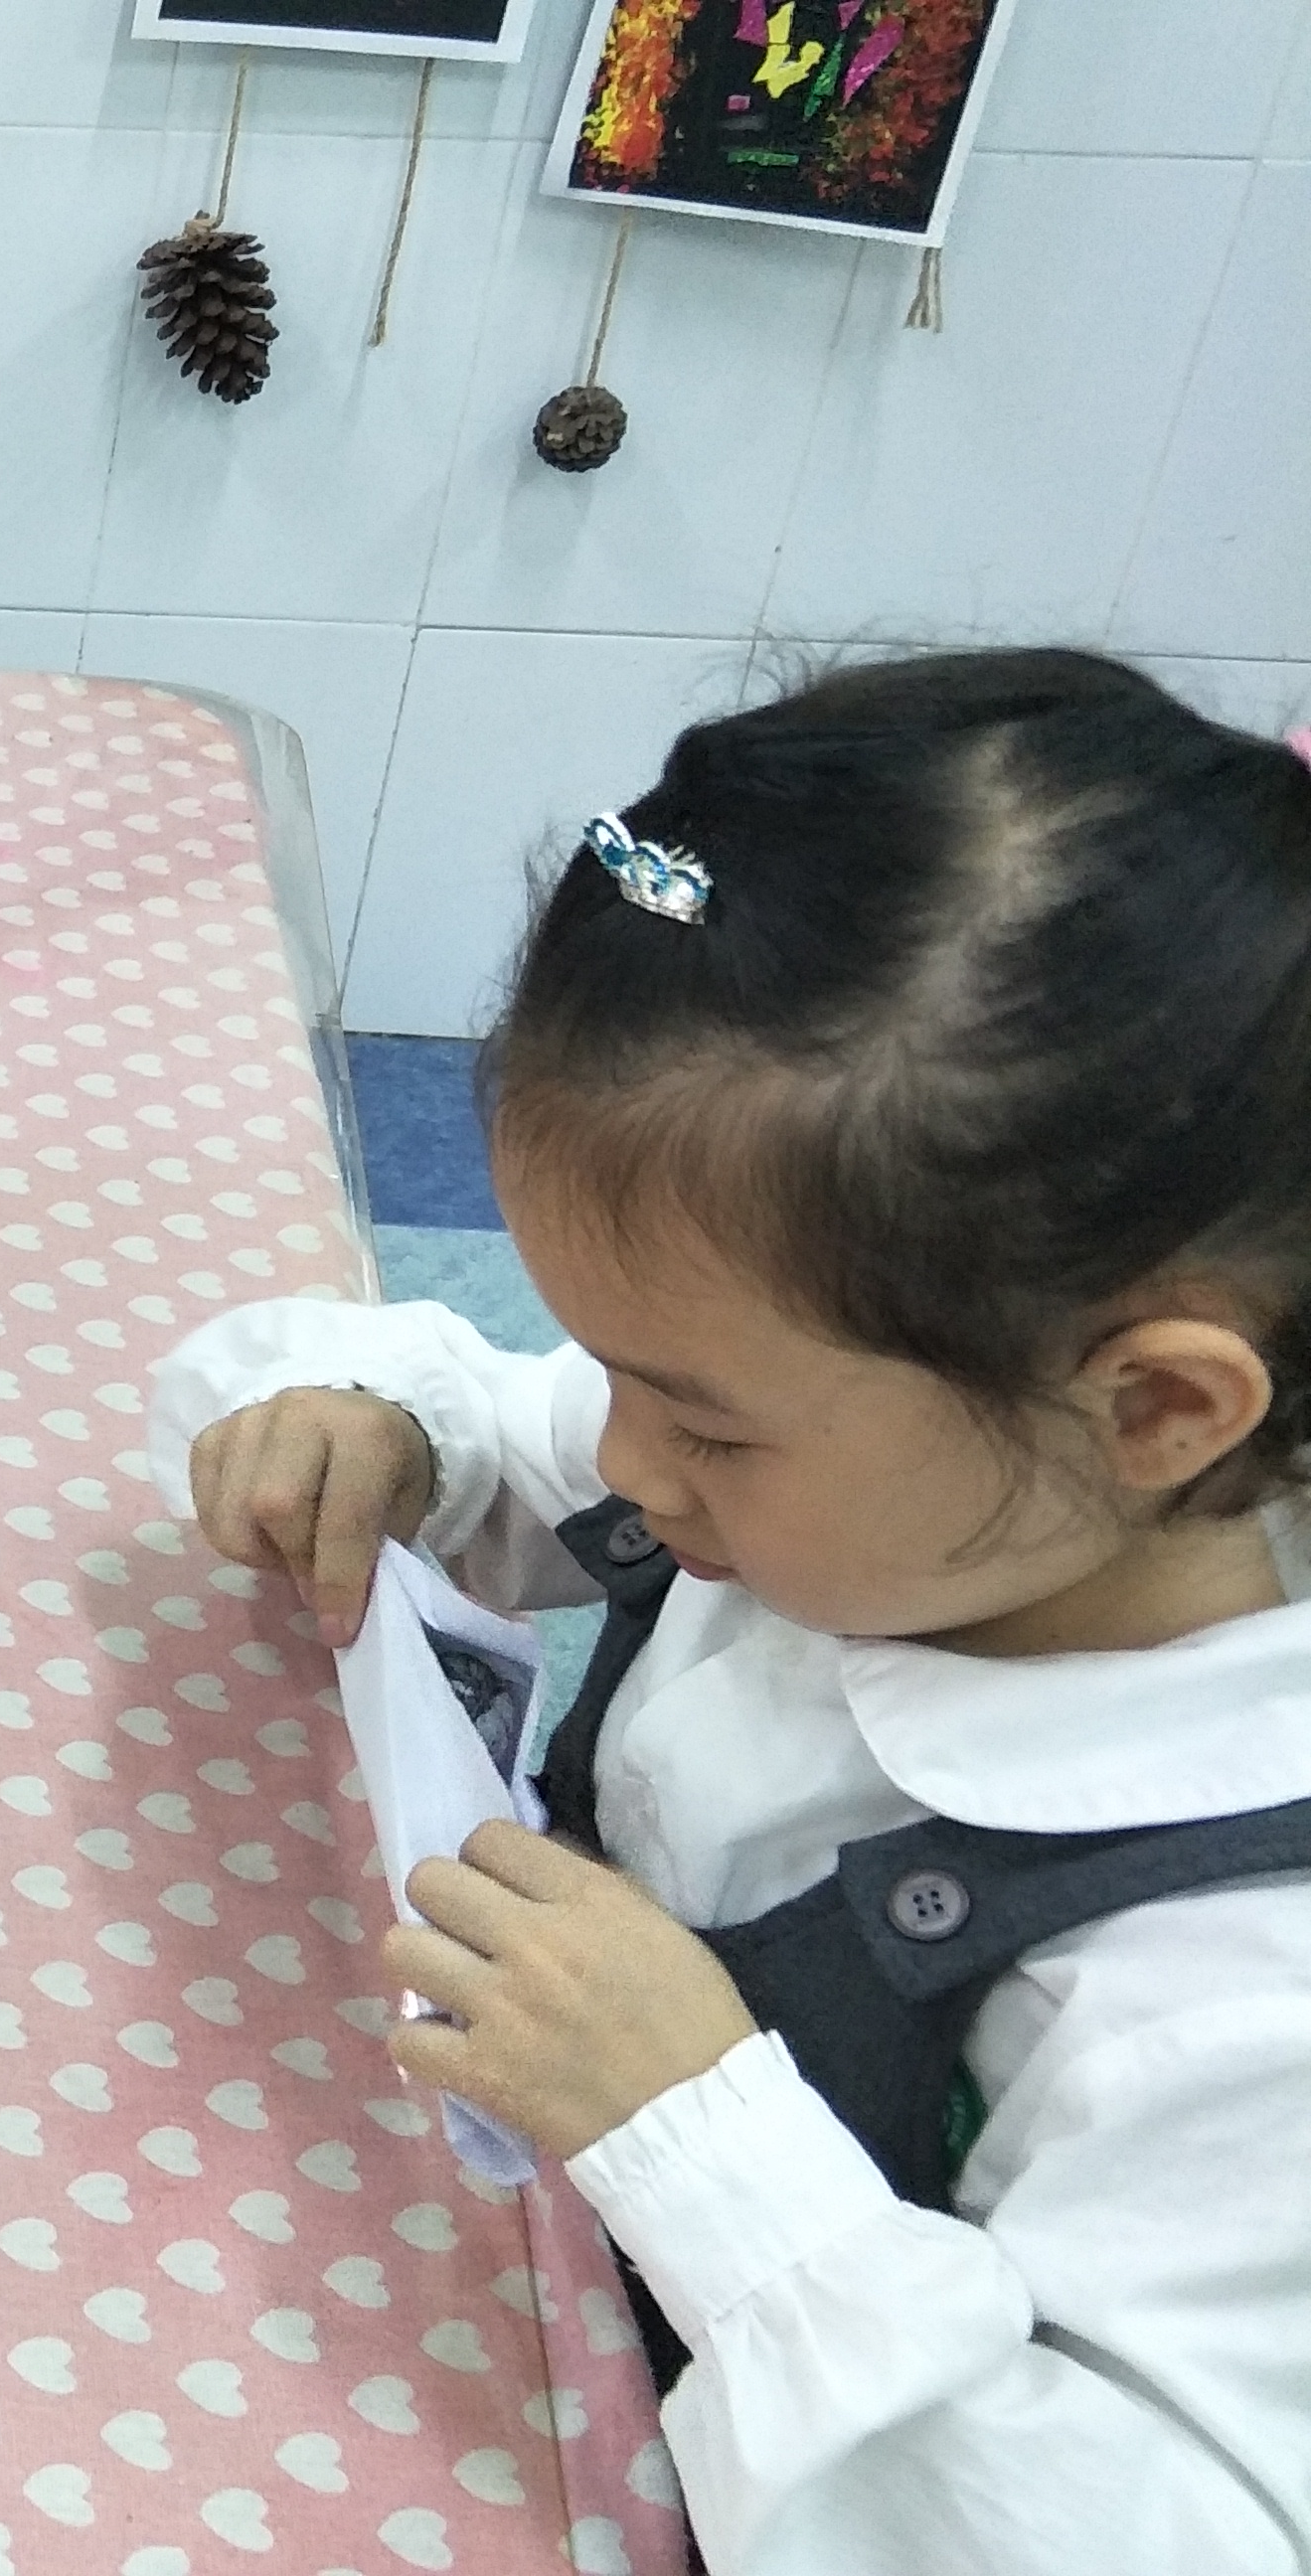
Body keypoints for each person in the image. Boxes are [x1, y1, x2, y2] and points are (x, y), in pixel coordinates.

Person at [153, 653, 1311, 2571]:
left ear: (1157, 1412)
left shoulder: (1238, 1999)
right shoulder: (927, 1495)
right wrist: (378, 1434)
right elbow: (511, 1436)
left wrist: (694, 2135)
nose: (629, 1459)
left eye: (700, 1420)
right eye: (613, 1367)